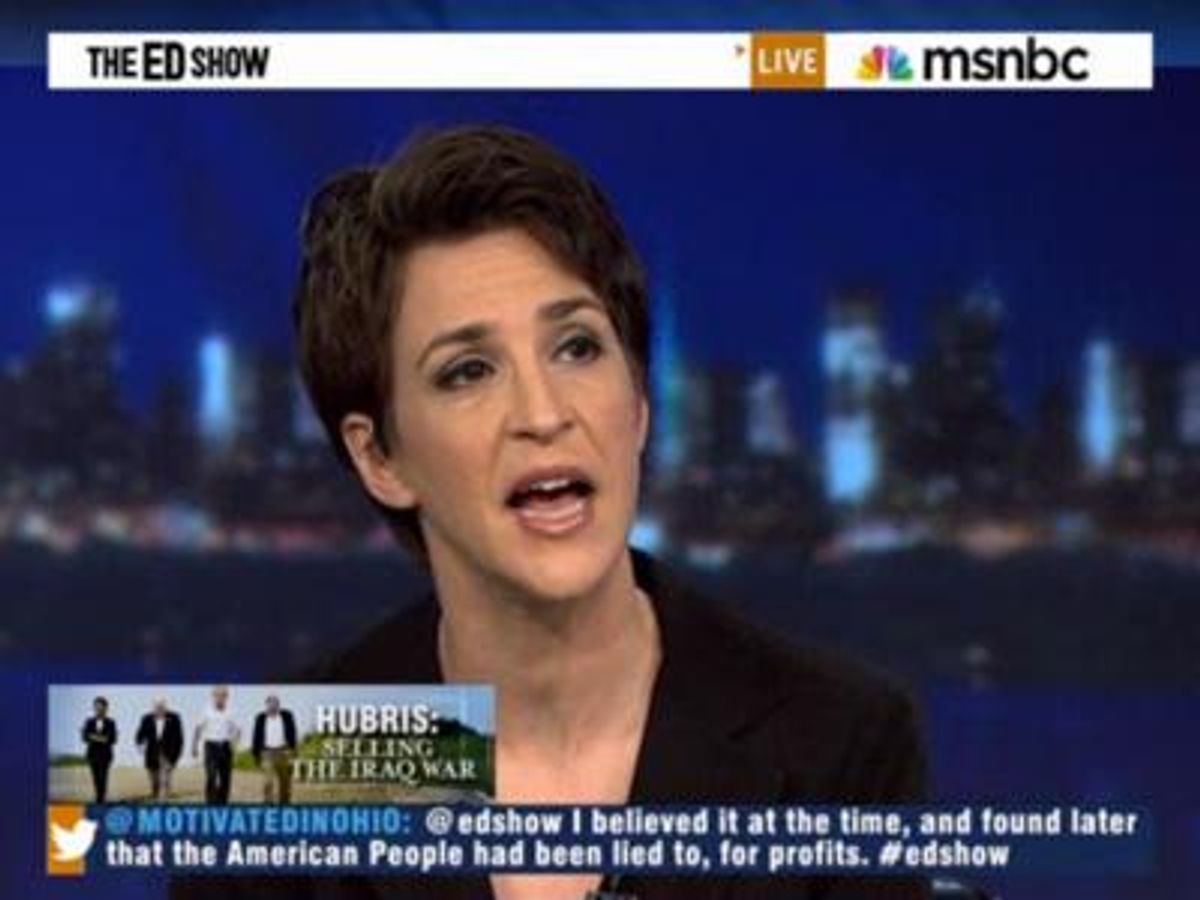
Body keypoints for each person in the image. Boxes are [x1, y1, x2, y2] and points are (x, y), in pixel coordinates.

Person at [173, 126, 928, 899]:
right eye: (468, 371)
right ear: (380, 459)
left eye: (576, 348)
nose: (543, 413)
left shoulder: (845, 744)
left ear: (638, 402)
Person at [191, 685, 240, 805]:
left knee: (225, 778)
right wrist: (194, 746)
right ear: (213, 696)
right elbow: (198, 729)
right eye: (217, 695)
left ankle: (222, 803)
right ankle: (211, 803)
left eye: (223, 695)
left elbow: (237, 730)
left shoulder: (231, 712)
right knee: (211, 776)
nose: (220, 698)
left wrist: (235, 745)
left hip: (225, 747)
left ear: (227, 697)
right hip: (211, 746)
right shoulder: (206, 711)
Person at [251, 694, 297, 803]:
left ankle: (284, 803)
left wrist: (292, 750)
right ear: (266, 706)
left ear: (278, 705)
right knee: (268, 781)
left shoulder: (287, 716)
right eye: (270, 704)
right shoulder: (260, 718)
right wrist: (256, 754)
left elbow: (293, 732)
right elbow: (256, 736)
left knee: (285, 782)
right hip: (267, 753)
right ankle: (268, 803)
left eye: (275, 704)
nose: (272, 706)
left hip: (283, 752)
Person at [135, 697, 184, 799]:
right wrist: (139, 743)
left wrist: (177, 754)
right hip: (151, 752)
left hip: (168, 752)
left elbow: (179, 738)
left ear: (165, 706)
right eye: (157, 706)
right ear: (153, 707)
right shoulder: (146, 718)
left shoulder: (174, 718)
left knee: (166, 776)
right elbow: (140, 734)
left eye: (161, 706)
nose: (159, 708)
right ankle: (155, 793)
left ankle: (166, 795)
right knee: (154, 778)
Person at [81, 696, 117, 804]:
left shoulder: (111, 722)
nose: (98, 709)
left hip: (106, 755)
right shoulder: (89, 721)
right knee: (96, 778)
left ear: (106, 708)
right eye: (96, 707)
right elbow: (84, 738)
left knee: (103, 777)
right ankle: (99, 796)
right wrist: (102, 738)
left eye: (101, 707)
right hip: (92, 754)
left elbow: (113, 739)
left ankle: (100, 798)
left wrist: (93, 737)